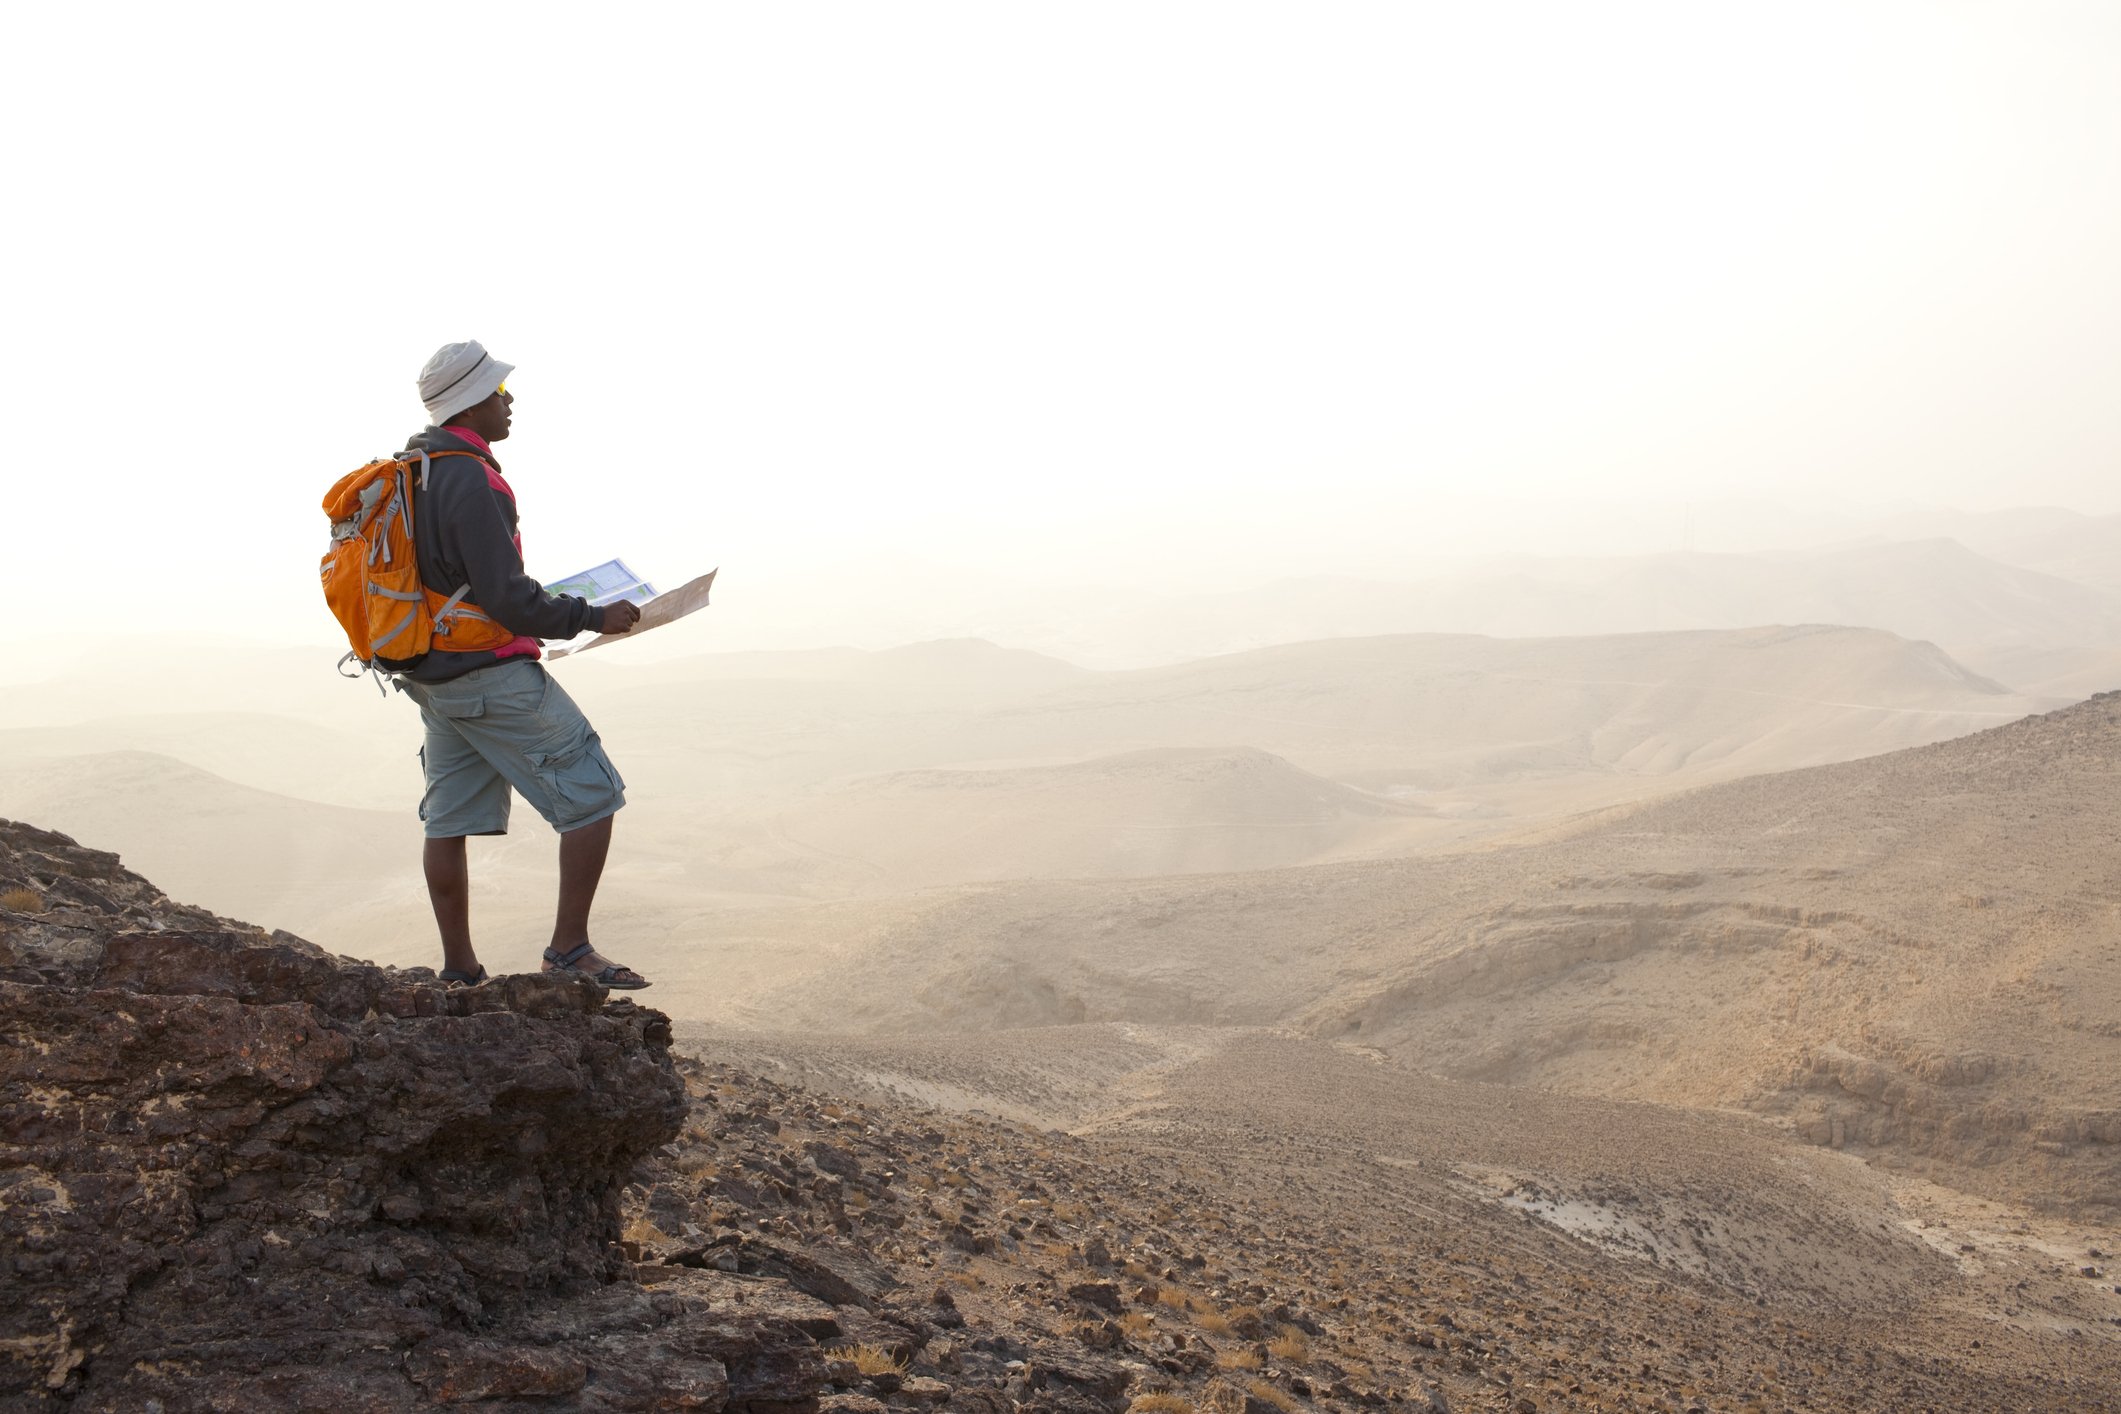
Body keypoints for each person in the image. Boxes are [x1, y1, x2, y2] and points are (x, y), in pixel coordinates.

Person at [397, 339, 650, 990]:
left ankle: (459, 968)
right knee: (594, 797)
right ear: (471, 403)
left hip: (434, 678)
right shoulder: (472, 478)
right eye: (500, 393)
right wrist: (595, 617)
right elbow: (506, 598)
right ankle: (568, 950)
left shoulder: (412, 471)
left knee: (448, 819)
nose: (509, 403)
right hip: (490, 674)